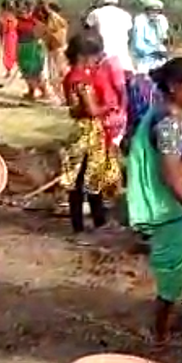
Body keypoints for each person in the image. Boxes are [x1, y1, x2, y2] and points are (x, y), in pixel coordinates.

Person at [124, 58, 182, 347]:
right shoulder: (169, 124)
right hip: (178, 211)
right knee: (172, 276)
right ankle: (161, 332)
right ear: (174, 87)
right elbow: (172, 176)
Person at [59, 34, 124, 238]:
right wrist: (109, 106)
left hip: (80, 130)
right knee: (88, 178)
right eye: (95, 57)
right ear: (83, 56)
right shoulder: (82, 80)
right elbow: (92, 110)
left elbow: (73, 110)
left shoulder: (70, 77)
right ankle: (93, 223)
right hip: (89, 131)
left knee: (80, 178)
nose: (97, 61)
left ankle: (85, 223)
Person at [85, 0, 134, 77]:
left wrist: (92, 7)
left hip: (103, 58)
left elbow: (86, 25)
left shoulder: (96, 13)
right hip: (123, 60)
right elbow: (129, 30)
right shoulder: (125, 14)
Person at [35, 0, 69, 102]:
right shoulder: (49, 20)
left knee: (60, 73)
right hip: (53, 49)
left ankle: (63, 96)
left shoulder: (55, 18)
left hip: (58, 49)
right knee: (53, 74)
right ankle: (59, 95)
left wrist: (43, 2)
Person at [15, 0, 49, 100]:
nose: (22, 14)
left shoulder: (34, 21)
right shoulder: (18, 21)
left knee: (35, 70)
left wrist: (39, 40)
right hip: (23, 47)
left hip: (32, 47)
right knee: (26, 70)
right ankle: (32, 90)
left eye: (24, 11)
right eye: (20, 12)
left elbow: (44, 30)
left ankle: (43, 91)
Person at [131, 0, 171, 75]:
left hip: (158, 60)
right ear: (147, 10)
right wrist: (154, 51)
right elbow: (138, 46)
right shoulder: (140, 21)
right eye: (152, 10)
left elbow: (163, 38)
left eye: (157, 11)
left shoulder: (160, 20)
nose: (155, 13)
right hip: (143, 60)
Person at [0, 1, 18, 79]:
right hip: (10, 36)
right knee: (10, 53)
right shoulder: (8, 15)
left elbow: (3, 28)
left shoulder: (7, 16)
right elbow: (2, 29)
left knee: (9, 53)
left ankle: (9, 70)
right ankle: (9, 70)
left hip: (10, 36)